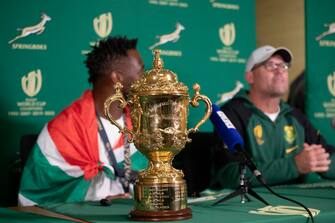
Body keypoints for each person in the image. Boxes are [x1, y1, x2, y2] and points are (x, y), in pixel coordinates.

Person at [18, 36, 148, 206]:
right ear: (118, 78)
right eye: (141, 71)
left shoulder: (142, 122)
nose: (147, 79)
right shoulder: (63, 130)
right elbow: (33, 201)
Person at [211, 45, 335, 189]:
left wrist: (321, 163)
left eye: (283, 66)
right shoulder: (231, 113)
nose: (279, 71)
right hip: (247, 207)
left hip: (297, 203)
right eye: (270, 65)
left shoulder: (295, 115)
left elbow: (328, 156)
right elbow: (230, 175)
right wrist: (294, 165)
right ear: (250, 76)